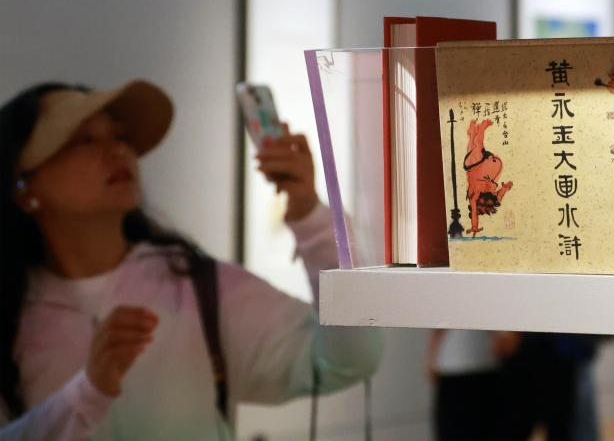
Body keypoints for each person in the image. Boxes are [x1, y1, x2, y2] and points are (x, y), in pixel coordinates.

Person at [0, 80, 383, 439]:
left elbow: (351, 358)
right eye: (83, 140)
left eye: (120, 136)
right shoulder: (13, 315)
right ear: (23, 186)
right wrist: (87, 393)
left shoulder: (199, 285)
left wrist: (311, 216)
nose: (117, 151)